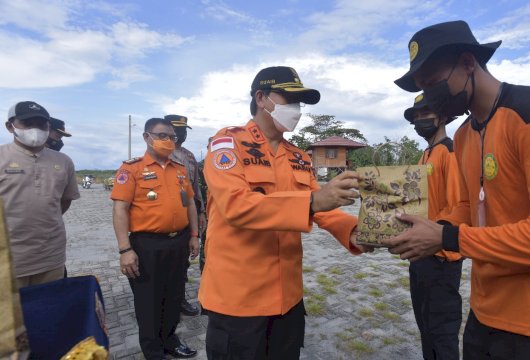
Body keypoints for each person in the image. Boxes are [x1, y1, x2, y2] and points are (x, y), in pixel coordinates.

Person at [388, 20, 530, 359]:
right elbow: (468, 208)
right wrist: (425, 229)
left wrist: (448, 239)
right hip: (486, 316)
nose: (430, 97)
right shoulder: (465, 135)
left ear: (468, 63)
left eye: (432, 83)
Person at [199, 66, 371, 360]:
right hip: (238, 299)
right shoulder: (228, 145)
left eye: (299, 102)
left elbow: (323, 210)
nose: (296, 109)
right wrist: (313, 202)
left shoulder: (299, 157)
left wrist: (358, 232)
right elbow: (236, 207)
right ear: (262, 98)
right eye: (289, 99)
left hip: (287, 297)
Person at [111, 117, 199, 359]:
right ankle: (153, 351)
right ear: (147, 137)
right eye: (162, 136)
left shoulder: (180, 170)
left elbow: (190, 203)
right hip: (147, 245)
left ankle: (170, 340)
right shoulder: (132, 169)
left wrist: (194, 235)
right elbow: (120, 209)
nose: (169, 141)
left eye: (171, 137)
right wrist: (124, 250)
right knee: (148, 302)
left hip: (179, 242)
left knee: (173, 296)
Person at [404, 93, 463, 359]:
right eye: (416, 116)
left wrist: (440, 238)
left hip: (442, 256)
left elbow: (458, 206)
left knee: (442, 330)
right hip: (420, 251)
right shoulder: (425, 154)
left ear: (443, 117)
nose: (420, 120)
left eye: (425, 114)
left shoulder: (450, 153)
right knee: (425, 325)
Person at [0, 101, 80, 288]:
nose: (35, 129)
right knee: (10, 317)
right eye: (28, 124)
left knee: (49, 313)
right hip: (8, 261)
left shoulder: (63, 161)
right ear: (10, 126)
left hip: (50, 258)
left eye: (41, 124)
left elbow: (64, 201)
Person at [166, 114, 205, 317]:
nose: (181, 134)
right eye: (177, 129)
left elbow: (196, 189)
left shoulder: (189, 157)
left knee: (182, 262)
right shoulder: (158, 154)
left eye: (183, 131)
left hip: (186, 217)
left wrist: (201, 213)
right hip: (163, 220)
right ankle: (163, 303)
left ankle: (179, 299)